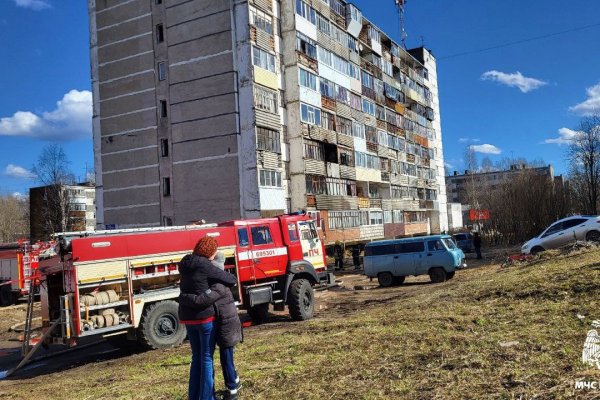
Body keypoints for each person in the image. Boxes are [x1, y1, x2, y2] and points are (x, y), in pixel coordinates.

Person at [179, 236, 237, 400]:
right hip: (204, 318)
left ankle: (194, 396)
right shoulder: (205, 264)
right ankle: (206, 397)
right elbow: (230, 279)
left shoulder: (184, 263)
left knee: (196, 358)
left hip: (187, 317)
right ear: (210, 252)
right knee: (206, 358)